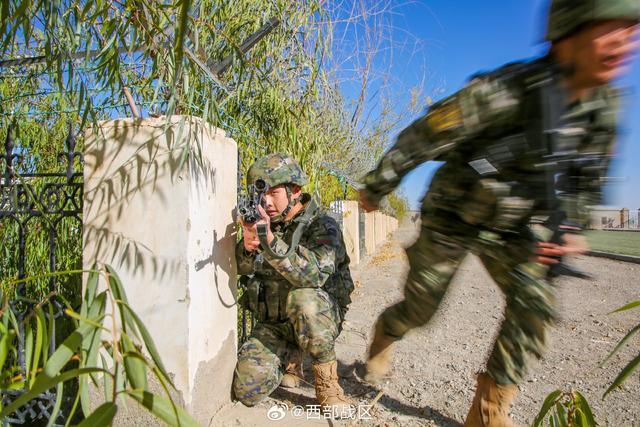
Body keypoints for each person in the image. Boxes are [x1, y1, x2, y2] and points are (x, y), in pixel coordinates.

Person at [359, 1, 640, 425]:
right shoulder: (505, 90)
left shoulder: (604, 109)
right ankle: (387, 332)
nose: (626, 42)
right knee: (422, 310)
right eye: (611, 28)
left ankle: (488, 411)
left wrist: (570, 226)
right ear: (567, 36)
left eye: (632, 29)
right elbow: (426, 135)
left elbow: (588, 179)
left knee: (536, 301)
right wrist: (378, 185)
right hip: (451, 217)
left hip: (512, 227)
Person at [233, 153, 355, 412]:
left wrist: (269, 241)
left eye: (273, 193)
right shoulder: (267, 224)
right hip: (275, 324)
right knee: (248, 390)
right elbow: (240, 269)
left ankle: (327, 383)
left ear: (295, 190)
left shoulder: (323, 225)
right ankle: (290, 356)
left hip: (318, 317)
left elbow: (313, 275)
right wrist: (247, 244)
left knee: (303, 300)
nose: (266, 203)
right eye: (261, 196)